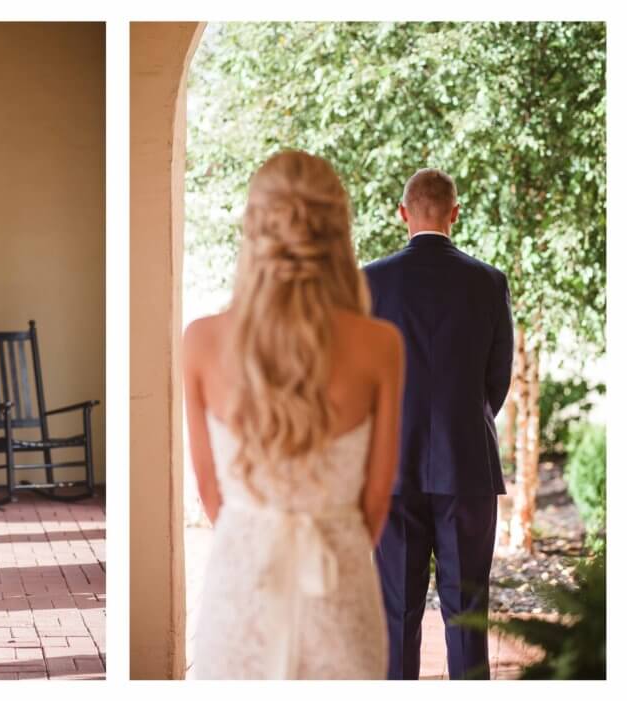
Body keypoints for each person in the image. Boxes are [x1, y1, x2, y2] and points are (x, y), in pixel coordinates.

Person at [183, 150, 405, 679]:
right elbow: (376, 501)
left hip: (240, 588)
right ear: (337, 233)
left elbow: (212, 495)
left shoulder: (202, 341)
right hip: (341, 585)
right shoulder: (380, 345)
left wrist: (256, 532)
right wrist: (336, 543)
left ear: (254, 227)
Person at [364, 168, 514, 680]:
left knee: (398, 613)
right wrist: (462, 428)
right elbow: (497, 380)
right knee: (468, 611)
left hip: (392, 471)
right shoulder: (490, 282)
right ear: (455, 212)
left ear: (403, 212)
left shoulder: (370, 281)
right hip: (467, 465)